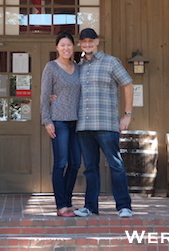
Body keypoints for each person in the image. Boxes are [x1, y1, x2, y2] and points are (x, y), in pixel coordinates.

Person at [73, 28, 134, 218]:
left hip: (107, 124)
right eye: (84, 41)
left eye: (91, 41)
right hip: (84, 126)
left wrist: (127, 114)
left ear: (97, 41)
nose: (87, 44)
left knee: (115, 165)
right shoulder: (78, 67)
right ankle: (90, 207)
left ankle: (124, 206)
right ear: (80, 44)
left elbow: (128, 85)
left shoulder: (111, 62)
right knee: (90, 168)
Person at [41, 32, 82, 217]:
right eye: (62, 45)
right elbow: (44, 96)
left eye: (69, 45)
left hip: (77, 122)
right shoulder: (51, 67)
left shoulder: (79, 68)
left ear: (74, 47)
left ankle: (67, 200)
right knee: (61, 163)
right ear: (57, 47)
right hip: (59, 121)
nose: (66, 48)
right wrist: (47, 121)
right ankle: (61, 205)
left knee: (75, 163)